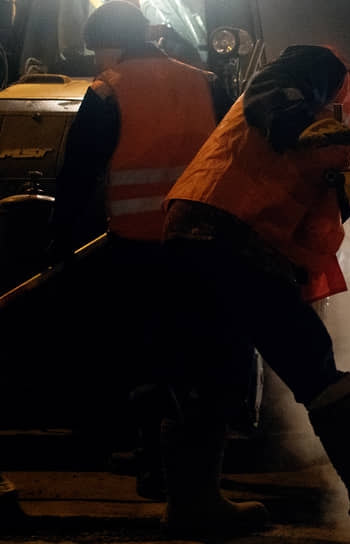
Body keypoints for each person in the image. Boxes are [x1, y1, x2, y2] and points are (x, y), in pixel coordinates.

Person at [161, 44, 350, 532]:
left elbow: (312, 213)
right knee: (310, 357)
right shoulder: (327, 70)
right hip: (230, 229)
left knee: (213, 375)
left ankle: (193, 506)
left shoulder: (331, 134)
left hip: (206, 229)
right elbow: (270, 92)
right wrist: (298, 125)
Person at [46, 0, 266, 531]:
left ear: (113, 43)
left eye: (98, 48)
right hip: (203, 243)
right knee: (200, 362)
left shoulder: (106, 91)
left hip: (136, 248)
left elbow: (77, 175)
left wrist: (58, 242)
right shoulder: (208, 83)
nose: (98, 59)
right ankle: (196, 481)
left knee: (148, 362)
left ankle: (157, 467)